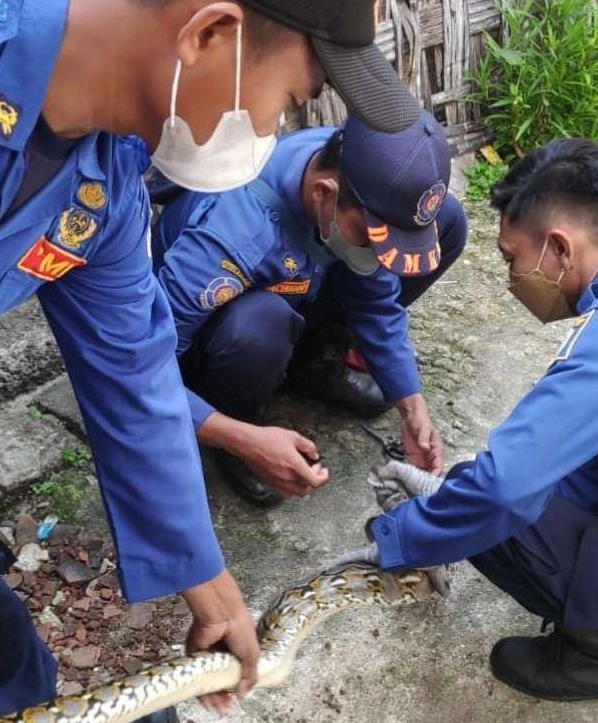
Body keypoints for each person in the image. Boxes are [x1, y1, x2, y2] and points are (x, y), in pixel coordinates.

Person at [0, 0, 423, 720]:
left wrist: (207, 580)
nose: (280, 127)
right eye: (295, 96)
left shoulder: (104, 176)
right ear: (211, 36)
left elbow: (134, 370)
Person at [344, 138, 598, 703]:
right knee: (477, 492)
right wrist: (444, 496)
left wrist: (400, 540)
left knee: (489, 497)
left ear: (558, 248)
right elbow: (585, 469)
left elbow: (507, 489)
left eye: (512, 259)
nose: (511, 279)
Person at [151, 111, 467, 506]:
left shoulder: (351, 171)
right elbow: (142, 367)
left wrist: (411, 404)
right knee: (259, 324)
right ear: (323, 193)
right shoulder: (231, 237)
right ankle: (239, 419)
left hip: (298, 284)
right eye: (371, 239)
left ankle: (311, 360)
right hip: (212, 333)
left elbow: (375, 296)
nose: (378, 252)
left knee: (450, 221)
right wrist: (242, 440)